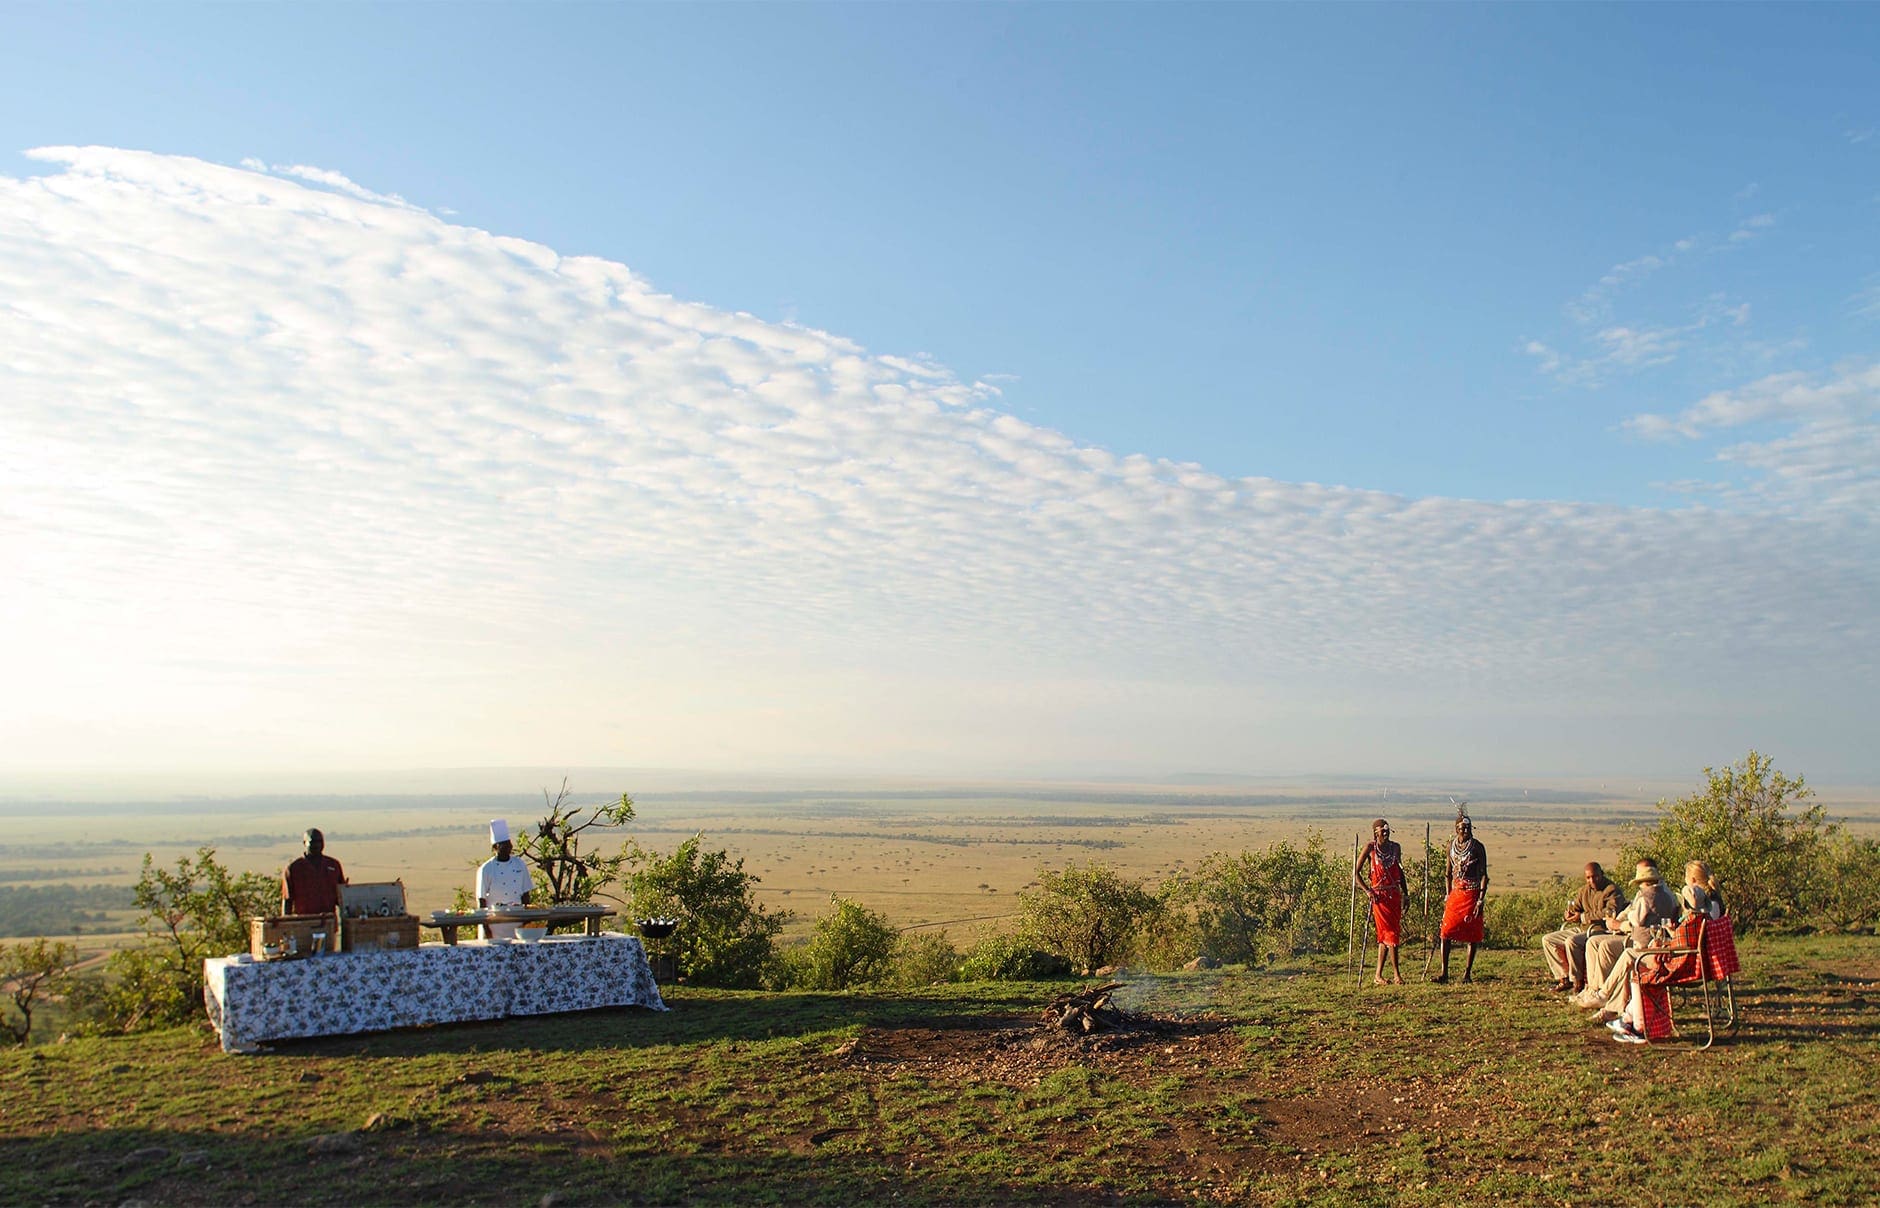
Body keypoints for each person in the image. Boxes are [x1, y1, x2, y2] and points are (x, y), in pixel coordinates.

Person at [1575, 860, 1678, 1011]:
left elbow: (1636, 920)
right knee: (1593, 942)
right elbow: (1630, 911)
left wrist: (1619, 925)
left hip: (1643, 941)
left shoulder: (1648, 896)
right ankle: (1594, 989)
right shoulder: (1659, 894)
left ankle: (1603, 993)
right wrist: (1617, 920)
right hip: (1640, 936)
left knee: (1608, 947)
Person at [1540, 862, 1626, 993]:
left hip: (1600, 930)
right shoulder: (1584, 891)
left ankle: (1578, 981)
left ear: (1602, 874)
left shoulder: (1612, 890)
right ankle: (1564, 978)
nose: (1592, 880)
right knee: (1548, 939)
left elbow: (1609, 912)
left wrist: (1583, 917)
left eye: (1595, 876)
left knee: (1572, 941)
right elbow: (1576, 908)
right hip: (1583, 928)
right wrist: (1569, 914)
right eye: (1588, 878)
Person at [1435, 810, 1488, 983]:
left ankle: (1467, 974)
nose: (1465, 831)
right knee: (1445, 932)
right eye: (1462, 828)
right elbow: (1448, 873)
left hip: (1472, 894)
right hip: (1455, 893)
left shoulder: (1478, 847)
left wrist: (1480, 899)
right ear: (1456, 829)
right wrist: (1448, 894)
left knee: (1472, 934)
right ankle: (1444, 973)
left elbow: (1483, 875)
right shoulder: (1451, 846)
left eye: (1468, 828)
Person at [1354, 818, 1409, 985]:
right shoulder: (1370, 848)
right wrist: (1367, 890)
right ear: (1375, 833)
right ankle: (1397, 974)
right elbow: (1356, 873)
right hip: (1379, 897)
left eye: (1387, 831)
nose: (1385, 834)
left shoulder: (1396, 848)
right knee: (1390, 934)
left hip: (1394, 895)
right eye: (1382, 831)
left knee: (1388, 935)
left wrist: (1406, 894)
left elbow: (1400, 872)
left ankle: (1378, 975)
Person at [476, 818, 535, 941]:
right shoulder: (486, 869)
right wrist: (487, 929)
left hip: (517, 923)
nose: (508, 847)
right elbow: (481, 902)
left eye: (508, 843)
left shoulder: (519, 864)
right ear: (495, 847)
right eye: (503, 844)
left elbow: (526, 895)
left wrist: (526, 922)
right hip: (494, 926)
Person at [280, 827, 345, 917]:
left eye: (320, 841)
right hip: (304, 921)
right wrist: (285, 922)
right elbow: (287, 899)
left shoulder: (333, 865)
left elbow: (342, 897)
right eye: (313, 842)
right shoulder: (294, 868)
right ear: (304, 843)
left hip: (328, 920)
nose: (317, 845)